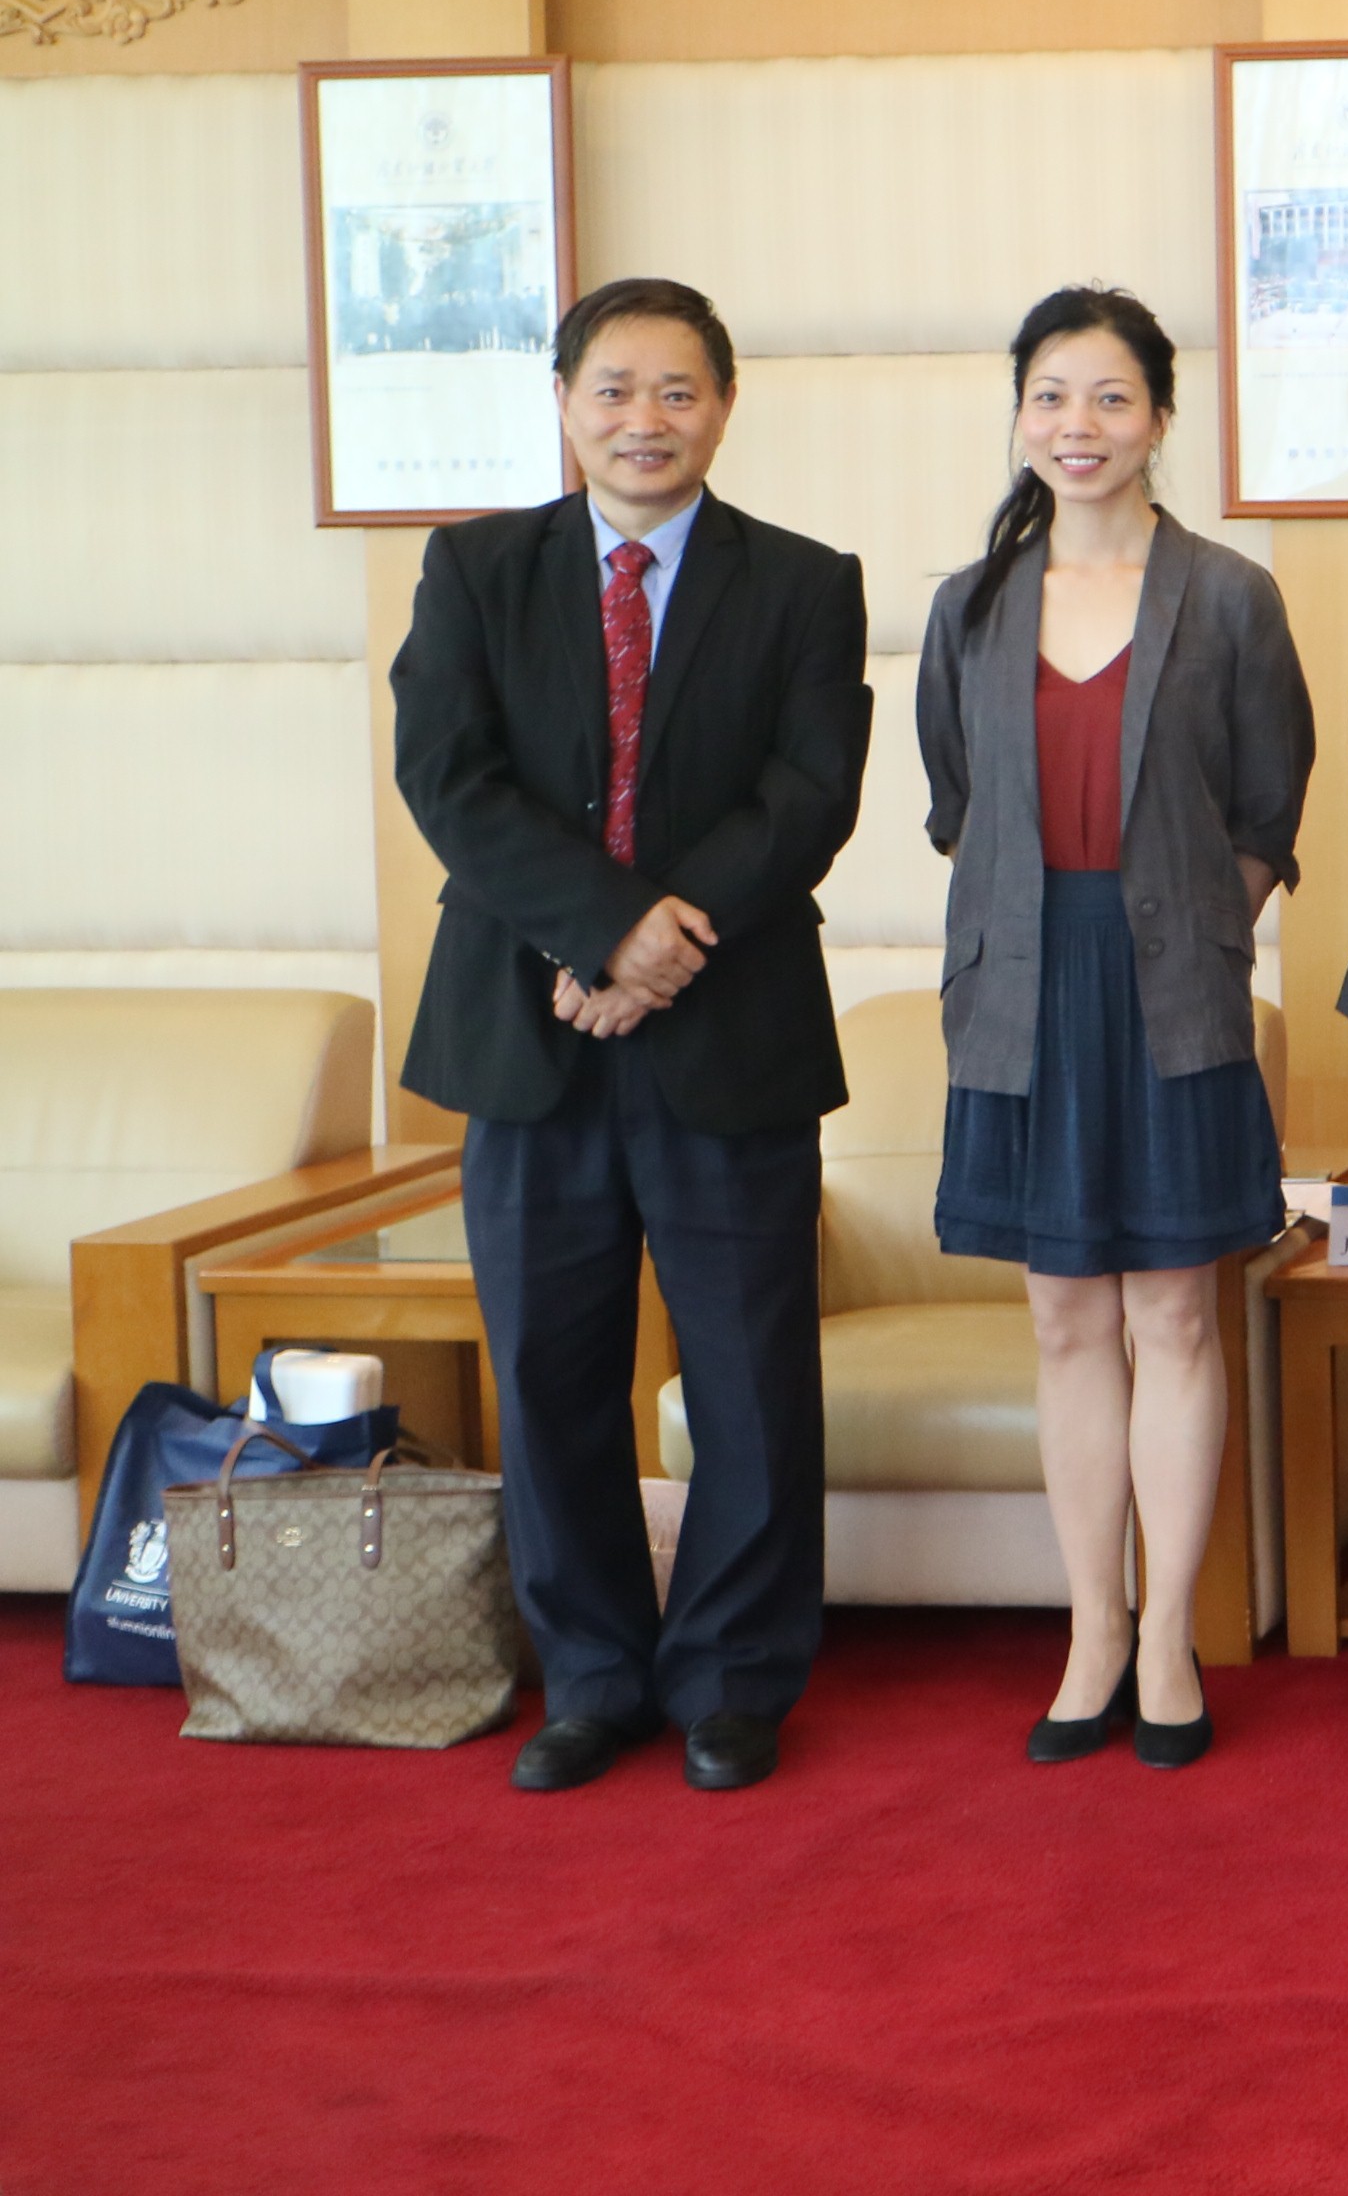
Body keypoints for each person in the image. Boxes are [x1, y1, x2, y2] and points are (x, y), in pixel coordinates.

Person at [391, 277, 870, 1796]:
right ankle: (592, 1676)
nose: (643, 419)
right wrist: (606, 933)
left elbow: (809, 793)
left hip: (728, 1033)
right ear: (563, 403)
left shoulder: (804, 582)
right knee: (550, 1376)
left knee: (749, 1379)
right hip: (528, 1039)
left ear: (722, 407)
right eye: (613, 389)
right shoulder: (476, 570)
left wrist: (666, 946)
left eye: (676, 391)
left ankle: (732, 1678)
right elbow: (450, 779)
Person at [917, 288, 1311, 1772]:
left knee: (1176, 1317)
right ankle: (1091, 1628)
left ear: (1158, 418)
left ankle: (1168, 1637)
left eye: (1109, 397)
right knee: (1066, 1319)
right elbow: (957, 804)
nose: (1076, 425)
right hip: (1023, 987)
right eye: (1050, 395)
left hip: (1170, 985)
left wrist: (1193, 927)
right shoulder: (969, 604)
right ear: (1020, 412)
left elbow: (1270, 808)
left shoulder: (1230, 596)